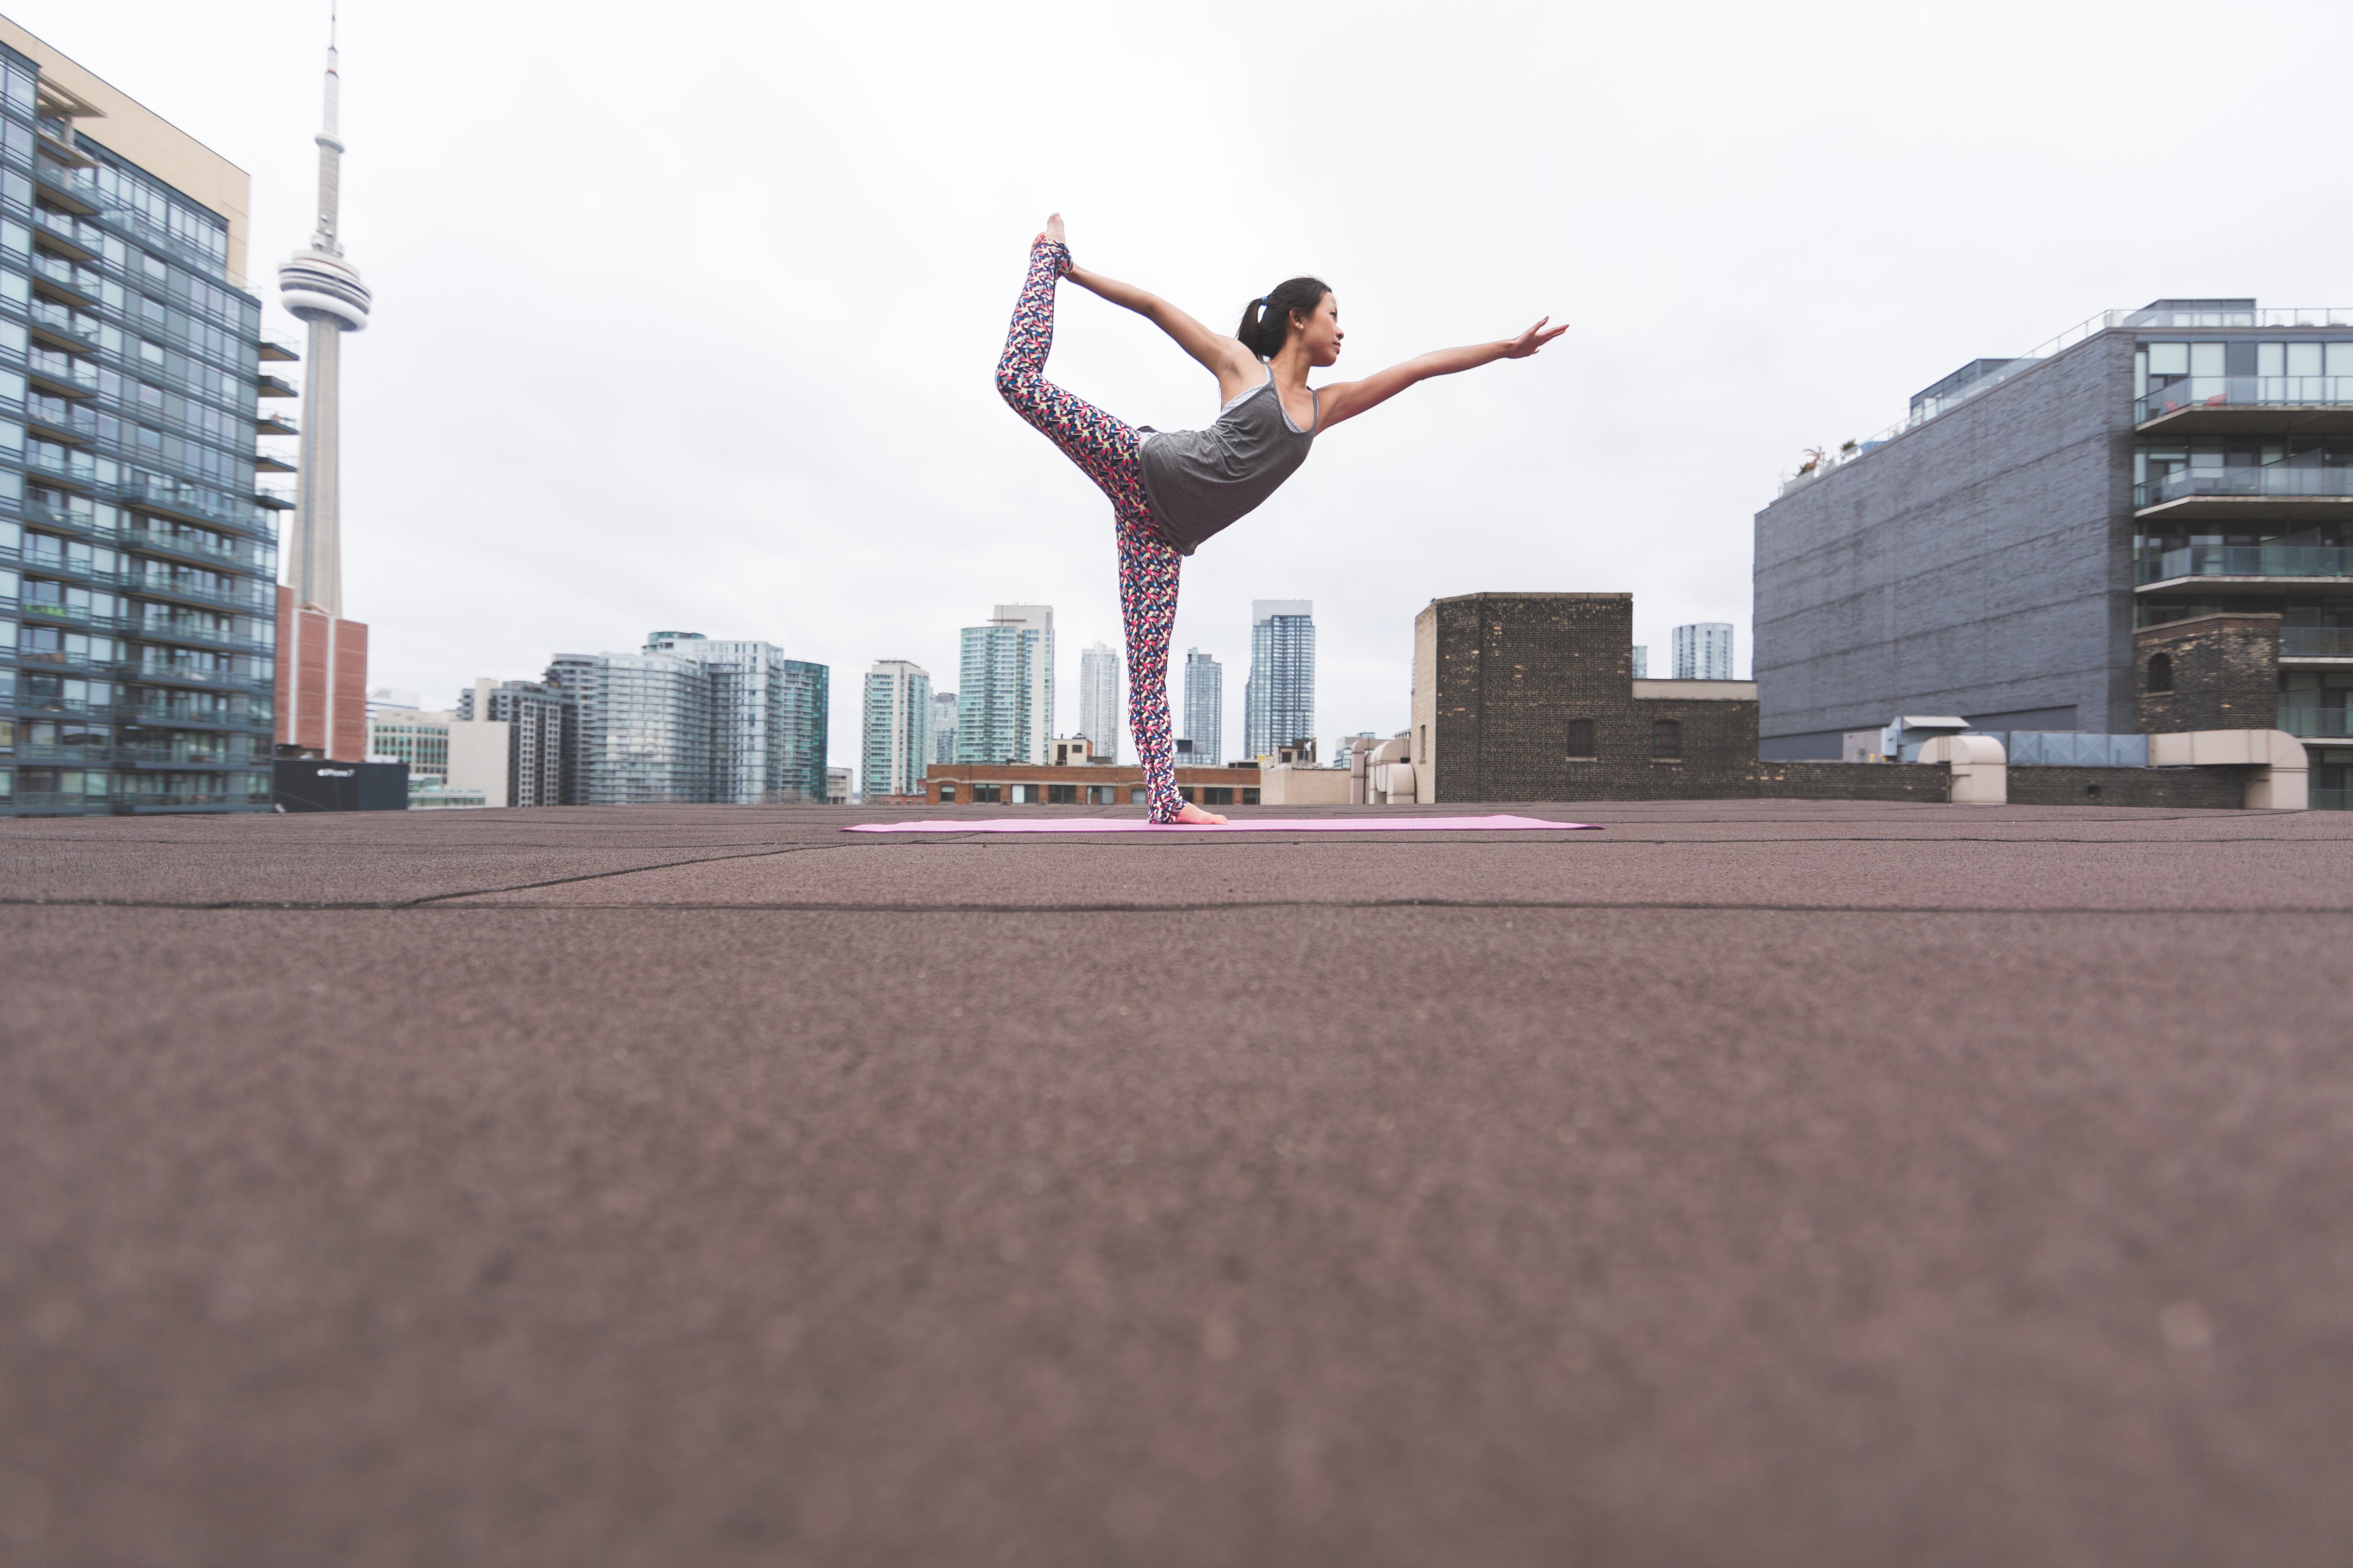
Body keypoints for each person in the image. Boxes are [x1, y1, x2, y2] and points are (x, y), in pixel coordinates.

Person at [994, 213, 1567, 825]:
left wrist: (1505, 350)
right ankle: (1042, 259)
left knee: (1147, 671)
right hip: (1143, 465)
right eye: (1333, 315)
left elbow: (1418, 367)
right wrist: (1070, 268)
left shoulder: (1325, 407)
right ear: (1299, 318)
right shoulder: (1243, 368)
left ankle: (1165, 803)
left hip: (1160, 535)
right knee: (1016, 381)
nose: (1342, 331)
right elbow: (1157, 309)